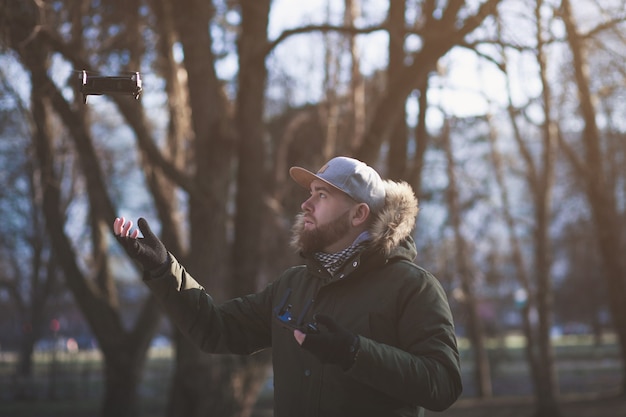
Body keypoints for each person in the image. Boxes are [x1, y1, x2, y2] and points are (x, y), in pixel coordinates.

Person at [113, 156, 462, 417]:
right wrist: (162, 269)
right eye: (311, 193)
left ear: (358, 215)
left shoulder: (413, 286)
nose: (305, 204)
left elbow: (443, 383)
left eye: (322, 195)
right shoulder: (293, 285)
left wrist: (355, 352)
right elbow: (216, 330)